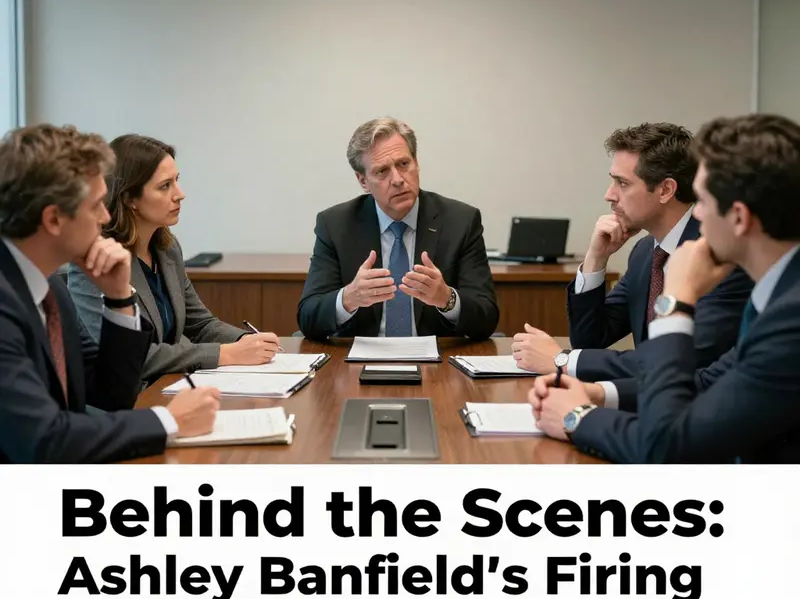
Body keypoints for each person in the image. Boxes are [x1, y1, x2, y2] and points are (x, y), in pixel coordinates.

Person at [530, 113, 800, 464]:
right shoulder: (780, 296)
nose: (697, 215)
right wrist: (597, 394)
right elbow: (711, 380)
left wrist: (575, 417)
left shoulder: (789, 316)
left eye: (702, 201)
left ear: (738, 217)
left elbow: (667, 445)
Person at [0, 123, 220, 463]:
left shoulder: (51, 291)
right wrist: (169, 420)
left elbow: (110, 393)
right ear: (54, 219)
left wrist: (119, 298)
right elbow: (43, 440)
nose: (106, 217)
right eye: (96, 206)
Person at [511, 123, 752, 406]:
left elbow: (684, 360)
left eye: (622, 183)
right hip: (648, 405)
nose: (609, 195)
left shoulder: (719, 255)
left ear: (666, 190)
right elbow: (591, 338)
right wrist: (596, 258)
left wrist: (562, 360)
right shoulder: (646, 252)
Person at [67, 134, 279, 382]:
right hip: (129, 400)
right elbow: (130, 357)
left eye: (176, 181)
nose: (180, 194)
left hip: (171, 385)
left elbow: (199, 324)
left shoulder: (167, 249)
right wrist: (225, 353)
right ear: (129, 198)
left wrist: (245, 341)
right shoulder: (94, 262)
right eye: (165, 186)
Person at [297, 117, 499, 341]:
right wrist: (348, 298)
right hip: (357, 365)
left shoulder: (461, 221)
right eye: (382, 171)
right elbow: (308, 317)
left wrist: (447, 298)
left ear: (416, 163)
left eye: (403, 164)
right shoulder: (335, 225)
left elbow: (487, 317)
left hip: (438, 364)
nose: (398, 179)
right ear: (363, 181)